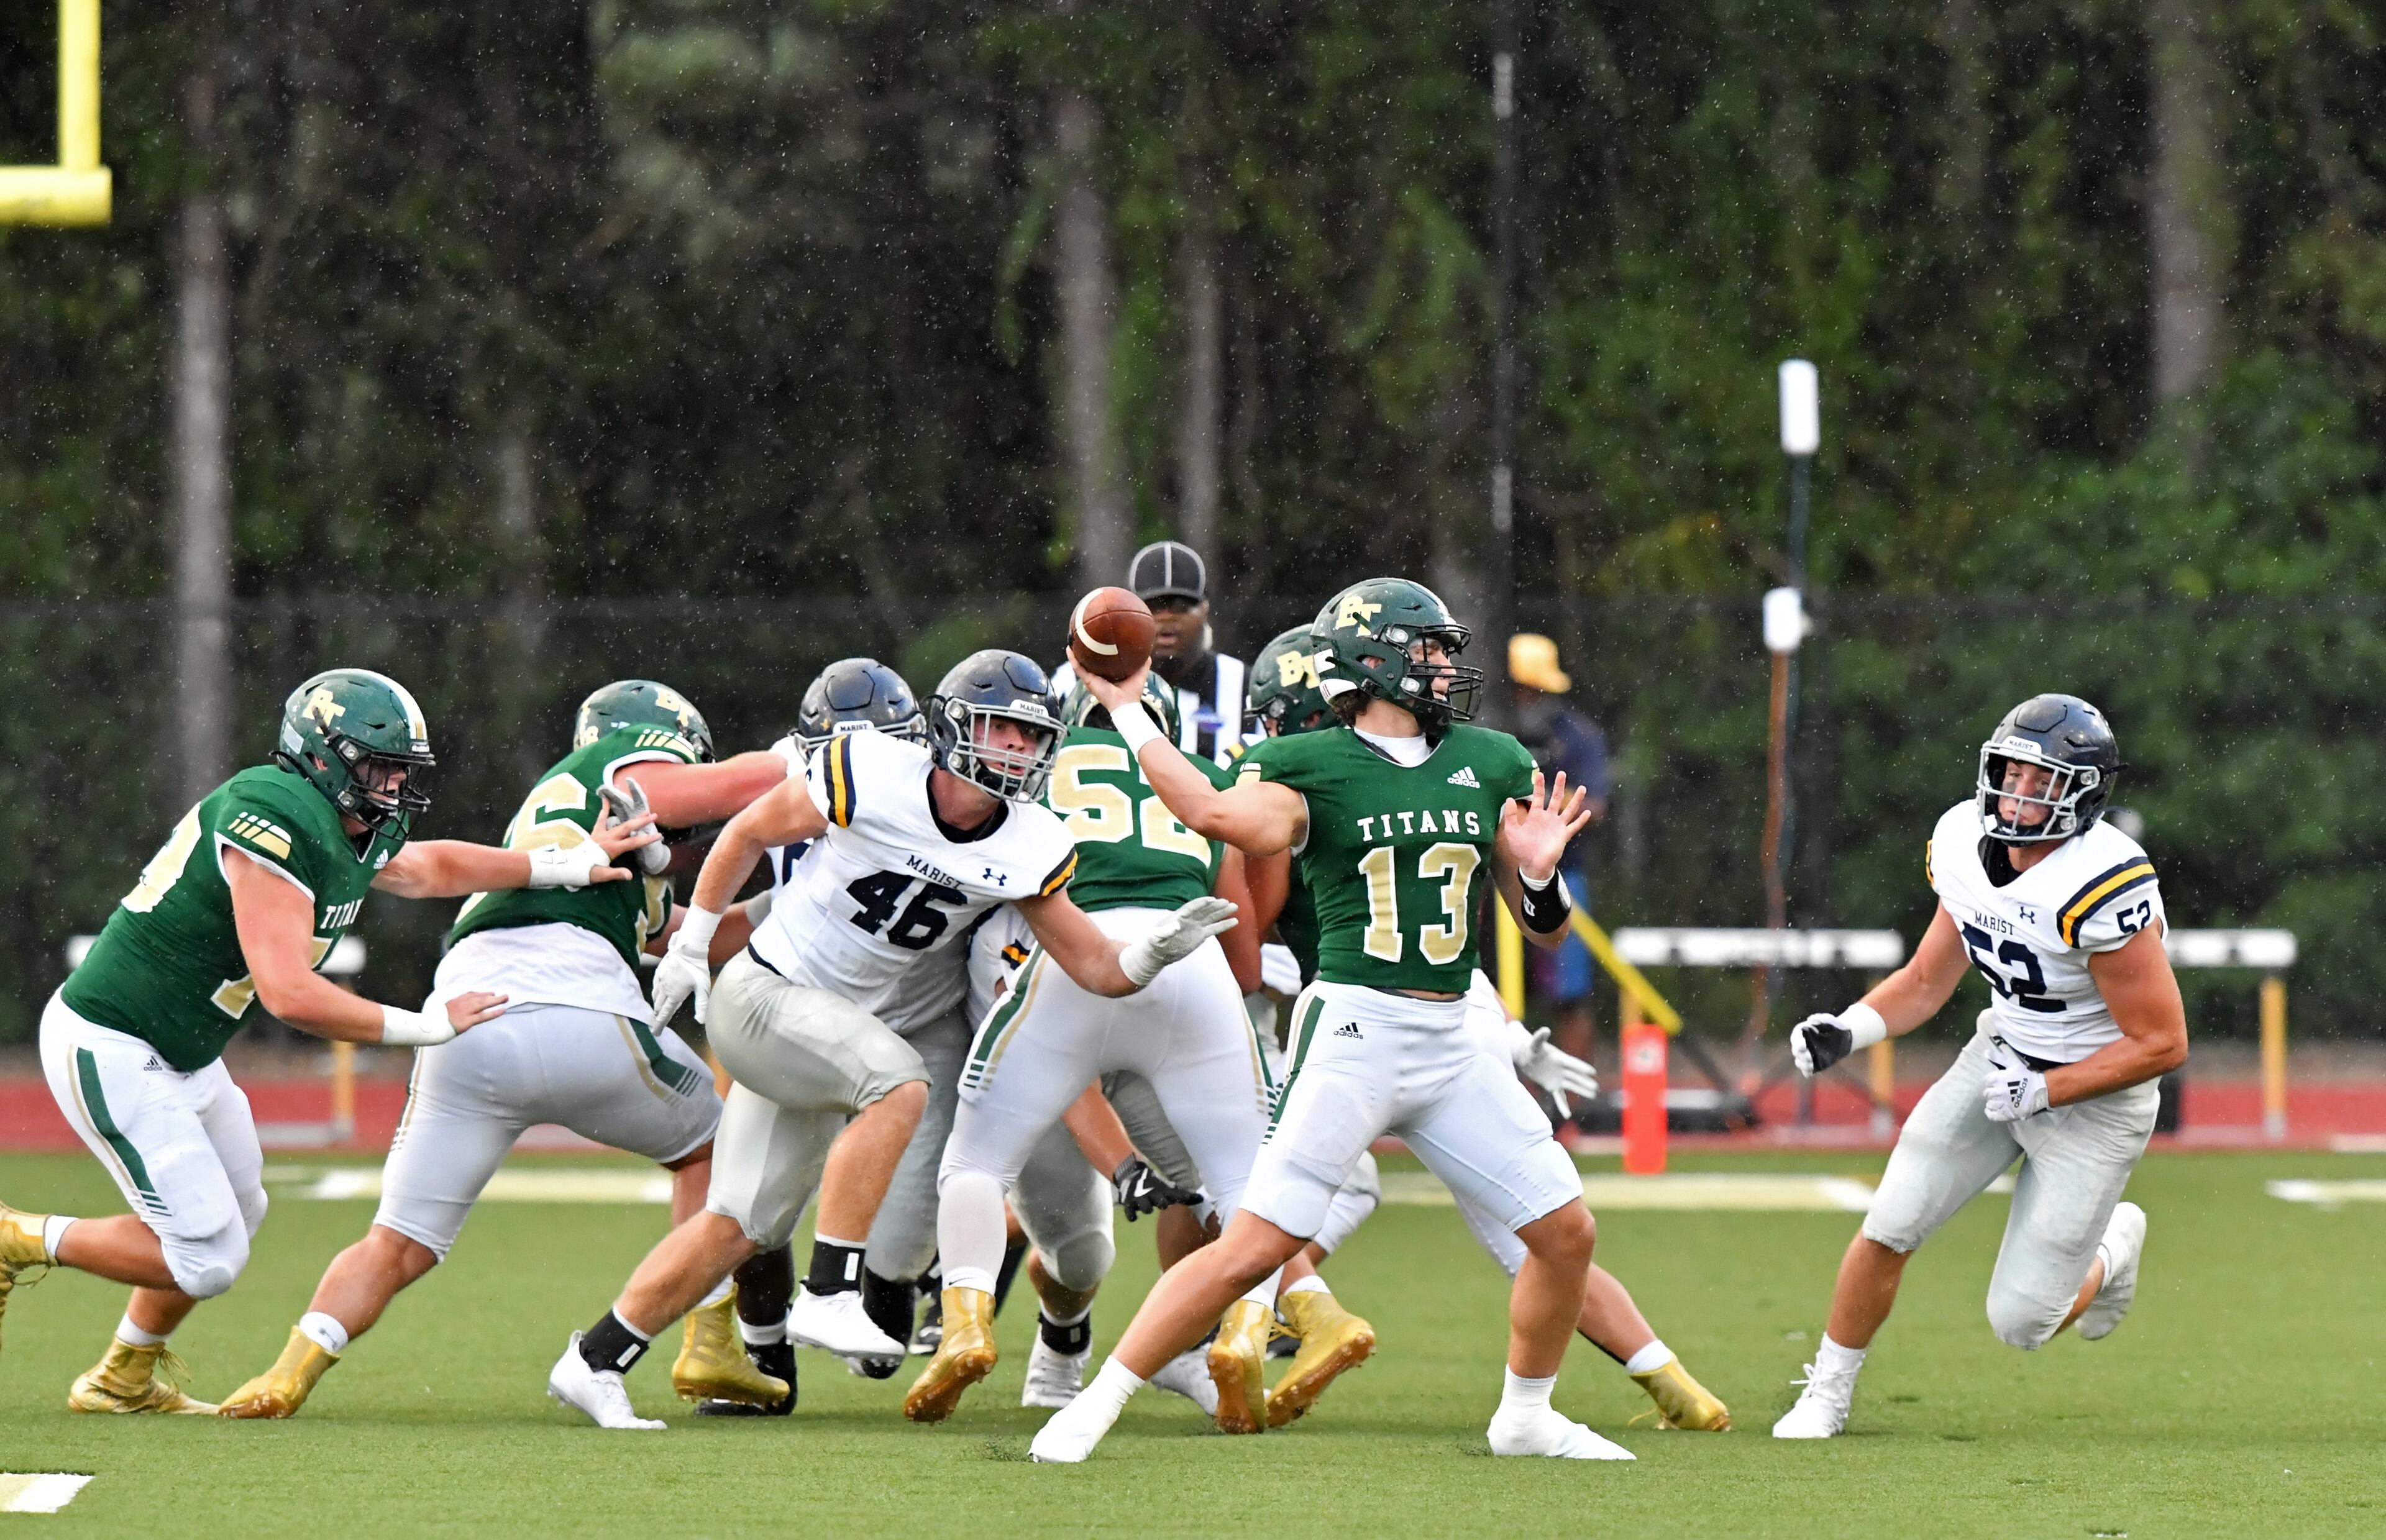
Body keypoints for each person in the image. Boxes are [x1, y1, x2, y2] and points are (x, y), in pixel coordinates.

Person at [543, 649, 1238, 1429]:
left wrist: (1148, 953)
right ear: (950, 725)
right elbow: (744, 832)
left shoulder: (1030, 839)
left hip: (834, 1029)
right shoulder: (871, 767)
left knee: (739, 1223)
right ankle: (833, 1290)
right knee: (899, 1083)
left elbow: (1091, 964)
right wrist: (691, 938)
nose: (1015, 747)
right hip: (769, 996)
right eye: (1000, 727)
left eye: (1030, 735)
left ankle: (595, 1358)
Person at [1030, 577, 1630, 1464]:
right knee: (1252, 1248)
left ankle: (1526, 1413)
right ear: (1375, 658)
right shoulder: (1310, 761)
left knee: (1565, 1231)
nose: (1445, 666)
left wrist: (1541, 875)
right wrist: (1124, 708)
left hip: (1454, 1033)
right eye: (1428, 649)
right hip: (1358, 1028)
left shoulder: (1492, 757)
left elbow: (1539, 926)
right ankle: (1095, 1402)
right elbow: (1208, 810)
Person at [0, 668, 654, 1414]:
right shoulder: (271, 816)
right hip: (111, 1041)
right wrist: (426, 1026)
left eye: (402, 767)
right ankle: (18, 1235)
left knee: (238, 1214)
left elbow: (425, 867)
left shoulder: (352, 822)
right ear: (319, 756)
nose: (394, 782)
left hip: (180, 1050)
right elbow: (287, 993)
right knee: (207, 1259)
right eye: (379, 764)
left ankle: (121, 1377)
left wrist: (561, 864)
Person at [216, 680, 787, 1419]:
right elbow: (732, 785)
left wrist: (796, 902)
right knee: (722, 1151)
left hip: (467, 1029)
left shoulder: (568, 837)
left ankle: (290, 1369)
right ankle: (709, 1340)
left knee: (399, 1240)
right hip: (580, 1015)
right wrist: (829, 765)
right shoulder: (620, 764)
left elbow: (702, 934)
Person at [1240, 626, 1727, 1434]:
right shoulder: (1361, 772)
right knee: (1533, 1230)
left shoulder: (1308, 786)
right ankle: (1670, 1377)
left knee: (1269, 1192)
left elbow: (1260, 934)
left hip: (1378, 1019)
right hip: (1431, 1008)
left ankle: (1254, 1324)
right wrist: (1501, 1028)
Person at [1772, 694, 2183, 1439]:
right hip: (1999, 1057)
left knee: (2023, 1322)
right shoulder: (1962, 839)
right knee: (1891, 1221)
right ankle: (1826, 1393)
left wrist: (2049, 1088)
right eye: (2012, 773)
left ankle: (2113, 1247)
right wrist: (1852, 1029)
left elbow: (2162, 1043)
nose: (2017, 794)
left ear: (2084, 795)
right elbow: (1929, 979)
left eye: (2042, 782)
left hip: (2096, 1100)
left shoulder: (2102, 882)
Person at [906, 675, 1277, 1429]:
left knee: (975, 1162)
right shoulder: (1202, 780)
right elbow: (1247, 962)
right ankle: (1243, 1331)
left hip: (1078, 953)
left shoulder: (1029, 768)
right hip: (1194, 961)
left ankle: (968, 1322)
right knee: (1249, 1183)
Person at [1052, 540, 1255, 766]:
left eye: (1182, 606)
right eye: (1153, 606)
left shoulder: (1246, 687)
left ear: (1205, 610)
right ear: (1125, 609)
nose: (1167, 617)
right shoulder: (1071, 681)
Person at [1507, 634, 1609, 1067]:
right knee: (1498, 993)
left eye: (1540, 688)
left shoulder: (1578, 737)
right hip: (1496, 877)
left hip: (1564, 874)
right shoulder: (1494, 733)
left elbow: (1597, 804)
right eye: (1528, 688)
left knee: (1569, 995)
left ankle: (1573, 1106)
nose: (1533, 698)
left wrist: (1539, 809)